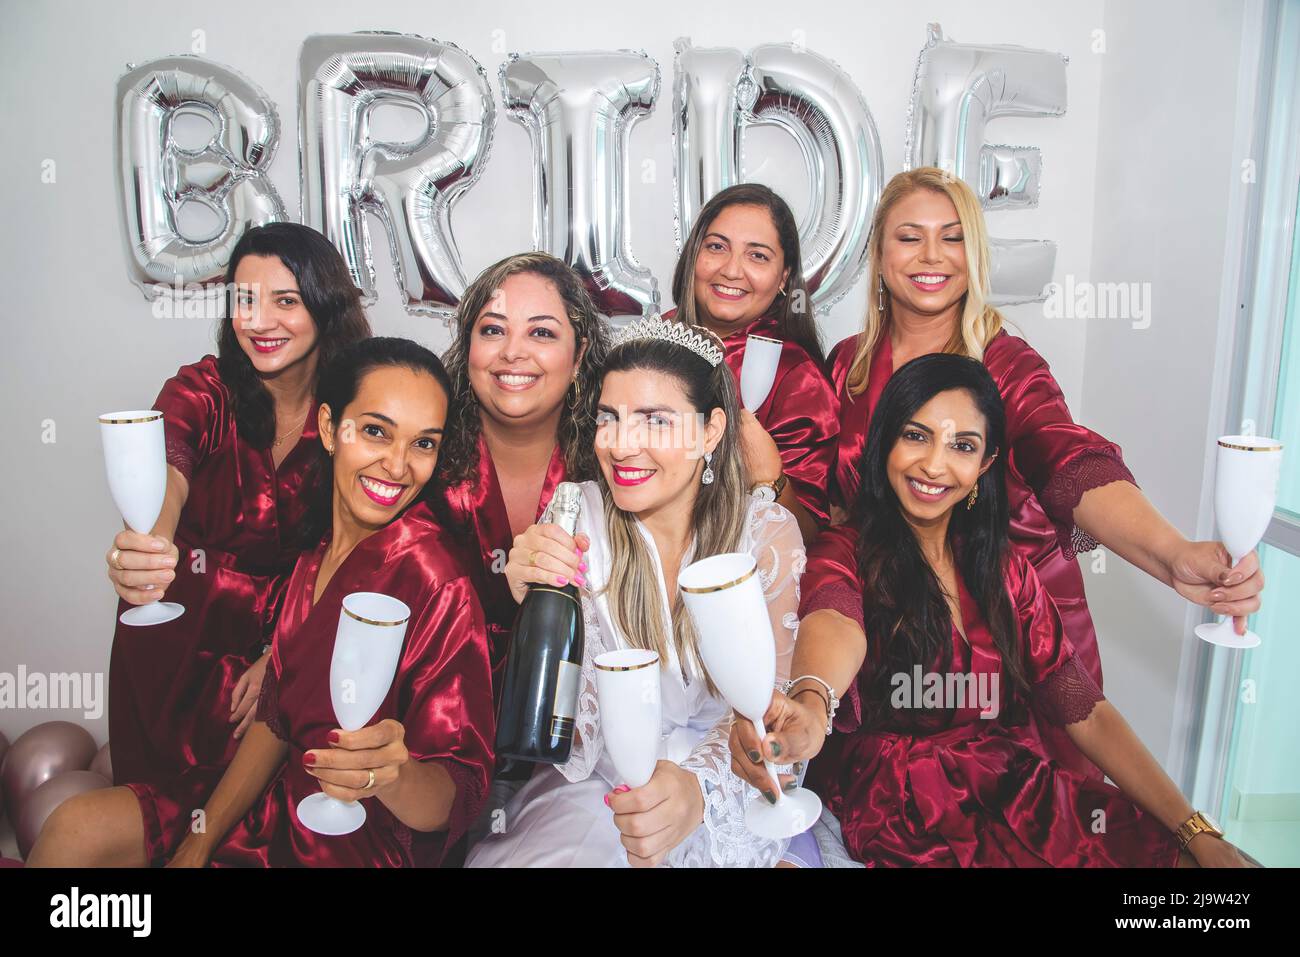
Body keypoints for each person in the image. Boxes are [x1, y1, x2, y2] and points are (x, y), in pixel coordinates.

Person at [730, 354, 1256, 867]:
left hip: (1017, 788)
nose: (934, 464)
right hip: (908, 812)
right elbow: (835, 622)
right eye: (916, 435)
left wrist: (1194, 827)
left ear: (984, 466)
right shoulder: (845, 552)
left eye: (962, 445)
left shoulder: (1002, 567)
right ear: (884, 442)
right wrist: (813, 703)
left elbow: (1086, 711)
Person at [826, 168, 1264, 773]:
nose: (932, 256)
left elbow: (1068, 459)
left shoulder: (1005, 363)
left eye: (952, 238)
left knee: (1044, 813)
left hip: (1017, 629)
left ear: (974, 254)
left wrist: (1172, 554)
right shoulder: (847, 365)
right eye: (910, 237)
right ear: (877, 255)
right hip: (902, 629)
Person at [30, 338, 494, 867]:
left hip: (350, 847)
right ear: (326, 428)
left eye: (424, 444)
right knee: (73, 827)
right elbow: (275, 720)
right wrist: (200, 841)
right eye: (374, 432)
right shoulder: (316, 555)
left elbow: (457, 795)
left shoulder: (435, 579)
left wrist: (392, 773)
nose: (397, 465)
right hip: (273, 804)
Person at [466, 317, 804, 867]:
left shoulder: (765, 534)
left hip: (726, 788)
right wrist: (529, 609)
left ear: (711, 431)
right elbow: (569, 723)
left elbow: (772, 709)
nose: (623, 445)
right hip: (602, 789)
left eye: (655, 420)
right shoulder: (577, 516)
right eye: (610, 417)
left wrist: (699, 789)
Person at [106, 222, 371, 789]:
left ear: (325, 308)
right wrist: (150, 546)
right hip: (179, 638)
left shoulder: (356, 412)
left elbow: (361, 552)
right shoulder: (201, 391)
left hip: (288, 643)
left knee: (254, 817)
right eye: (244, 300)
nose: (258, 321)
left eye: (286, 301)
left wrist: (286, 654)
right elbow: (167, 470)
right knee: (153, 805)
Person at [437, 252, 611, 694]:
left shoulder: (618, 467)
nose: (513, 352)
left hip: (571, 718)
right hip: (431, 709)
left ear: (579, 356)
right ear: (468, 345)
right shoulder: (421, 457)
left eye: (541, 332)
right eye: (493, 330)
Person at [666, 183, 839, 541]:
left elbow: (808, 533)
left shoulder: (796, 376)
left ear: (784, 278)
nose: (732, 270)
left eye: (757, 256)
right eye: (717, 247)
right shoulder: (652, 339)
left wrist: (767, 478)